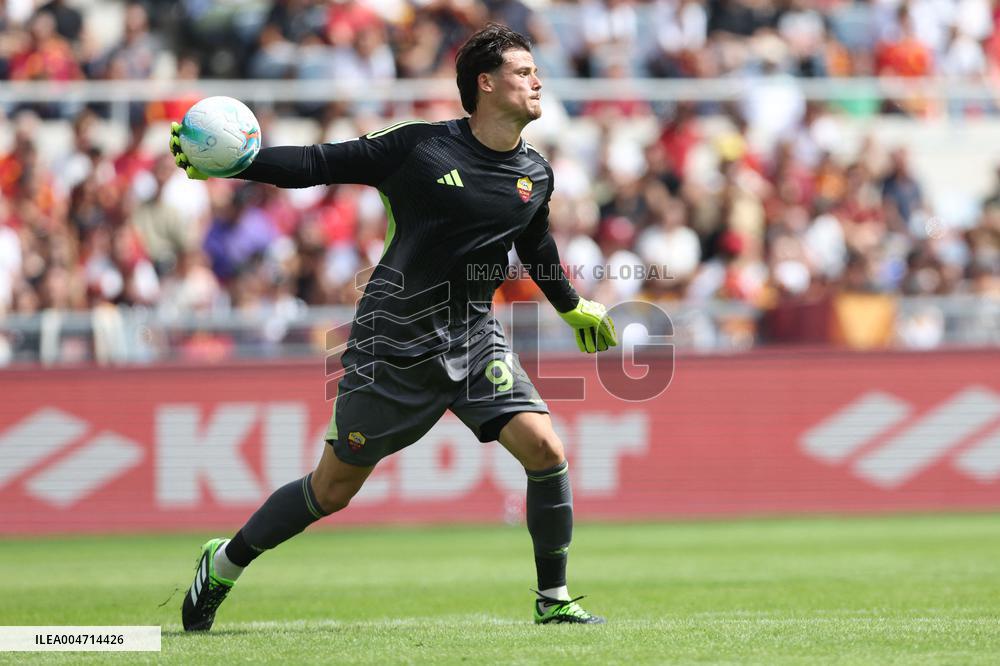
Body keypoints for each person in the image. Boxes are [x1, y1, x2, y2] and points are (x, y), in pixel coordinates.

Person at [170, 23, 617, 631]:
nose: (537, 81)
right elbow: (319, 163)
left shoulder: (535, 173)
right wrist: (239, 165)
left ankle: (554, 597)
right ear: (485, 84)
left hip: (473, 336)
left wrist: (570, 305)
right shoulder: (418, 147)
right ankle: (224, 562)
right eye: (523, 72)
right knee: (331, 490)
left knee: (545, 450)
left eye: (535, 71)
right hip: (395, 342)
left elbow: (535, 246)